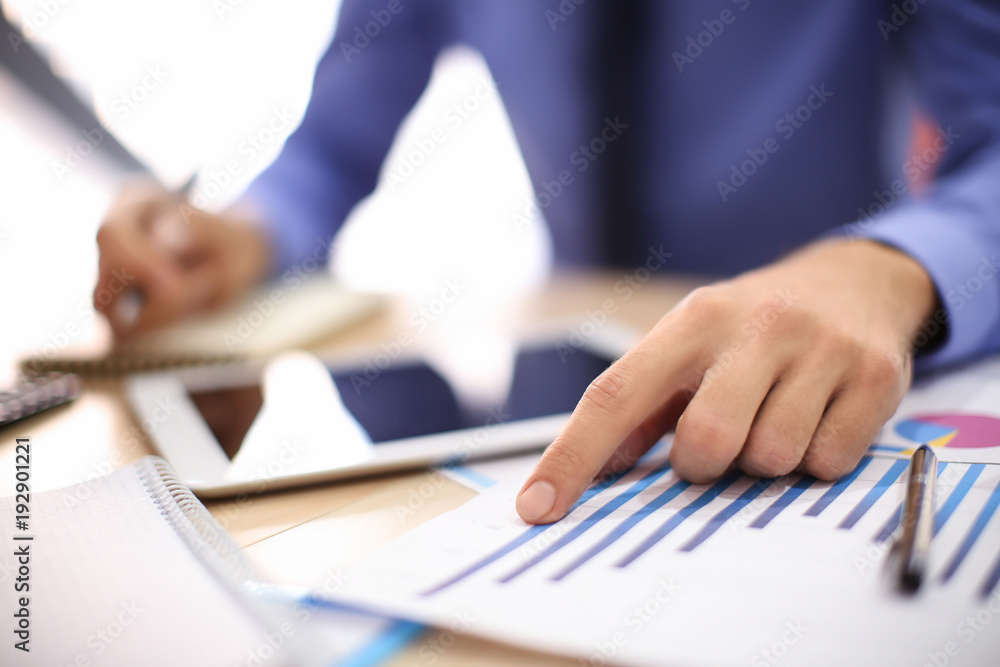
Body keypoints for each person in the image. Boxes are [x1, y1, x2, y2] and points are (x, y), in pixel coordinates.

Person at [94, 1, 1000, 525]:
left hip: (828, 389)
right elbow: (331, 146)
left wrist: (885, 270)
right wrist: (243, 234)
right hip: (553, 390)